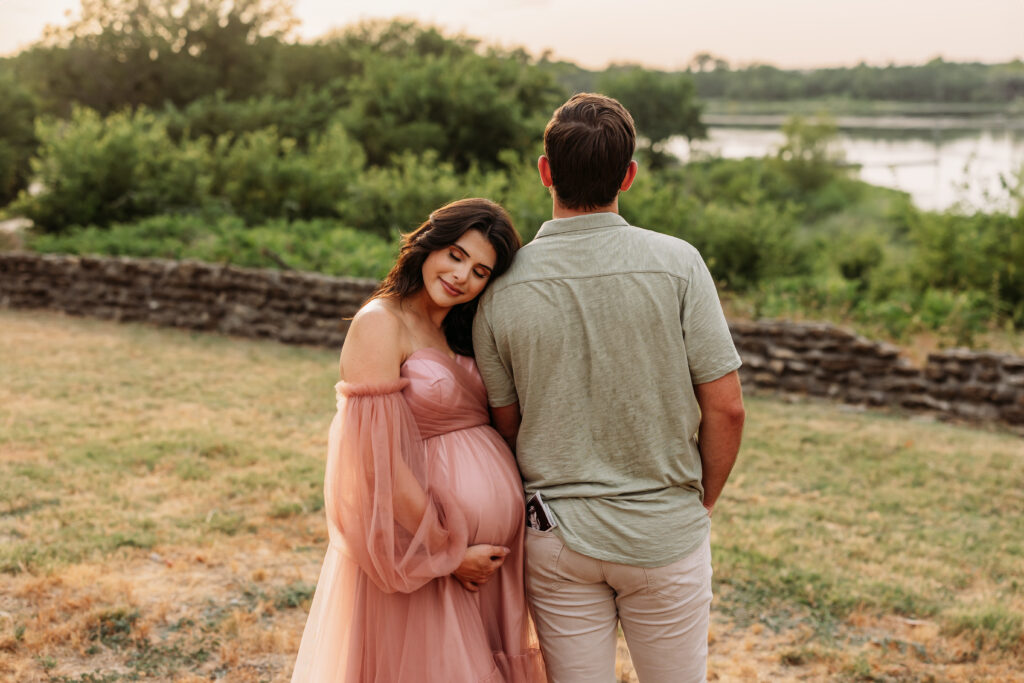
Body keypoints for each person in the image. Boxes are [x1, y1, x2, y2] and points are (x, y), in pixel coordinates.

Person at [472, 93, 746, 683]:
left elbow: (507, 425)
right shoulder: (679, 263)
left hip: (556, 537)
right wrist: (698, 506)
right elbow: (726, 408)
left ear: (544, 171)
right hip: (665, 528)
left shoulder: (499, 287)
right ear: (629, 176)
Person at [291, 198, 545, 682]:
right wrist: (447, 553)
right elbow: (376, 459)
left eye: (480, 270)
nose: (461, 276)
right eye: (454, 254)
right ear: (428, 243)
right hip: (427, 553)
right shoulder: (379, 323)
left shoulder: (459, 327)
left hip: (488, 560)